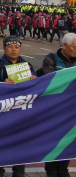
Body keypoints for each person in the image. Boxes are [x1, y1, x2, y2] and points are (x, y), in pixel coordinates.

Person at [40, 32, 76, 177]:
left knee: (67, 145)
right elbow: (51, 80)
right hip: (54, 113)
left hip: (71, 113)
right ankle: (52, 171)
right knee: (53, 145)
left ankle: (63, 170)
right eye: (74, 47)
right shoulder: (51, 59)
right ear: (64, 46)